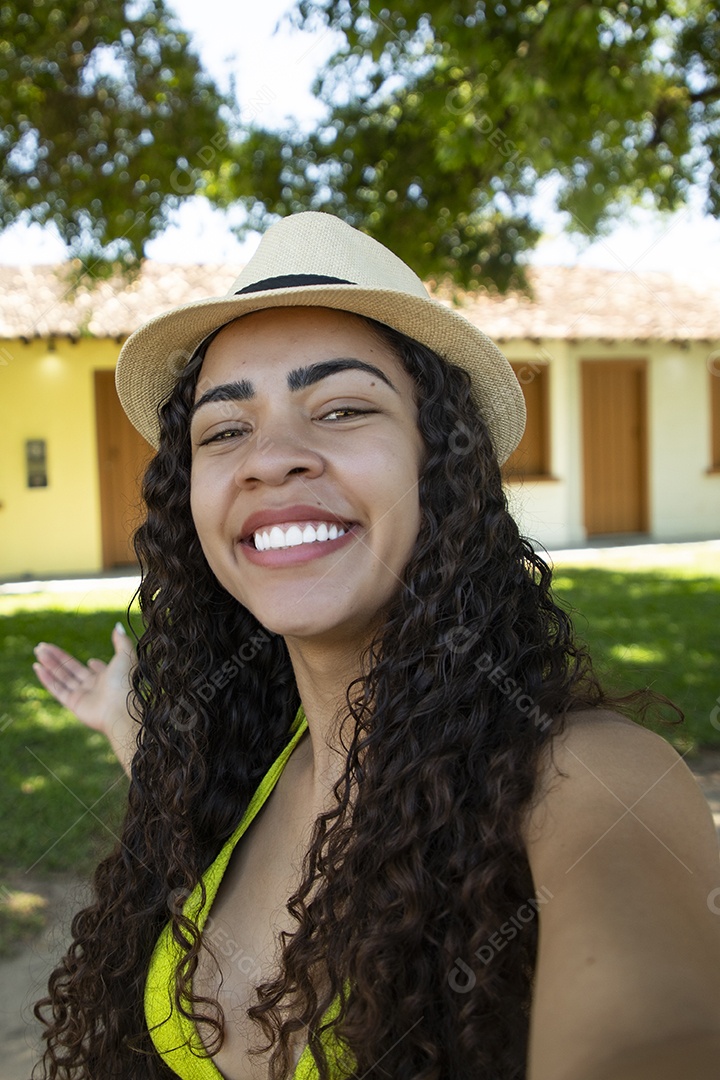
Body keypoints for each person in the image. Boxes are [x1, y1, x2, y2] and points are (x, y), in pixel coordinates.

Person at [32, 212, 720, 1080]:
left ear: (443, 467)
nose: (271, 458)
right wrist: (117, 720)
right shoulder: (236, 763)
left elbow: (656, 1037)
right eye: (225, 430)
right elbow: (173, 793)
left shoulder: (586, 778)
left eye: (343, 409)